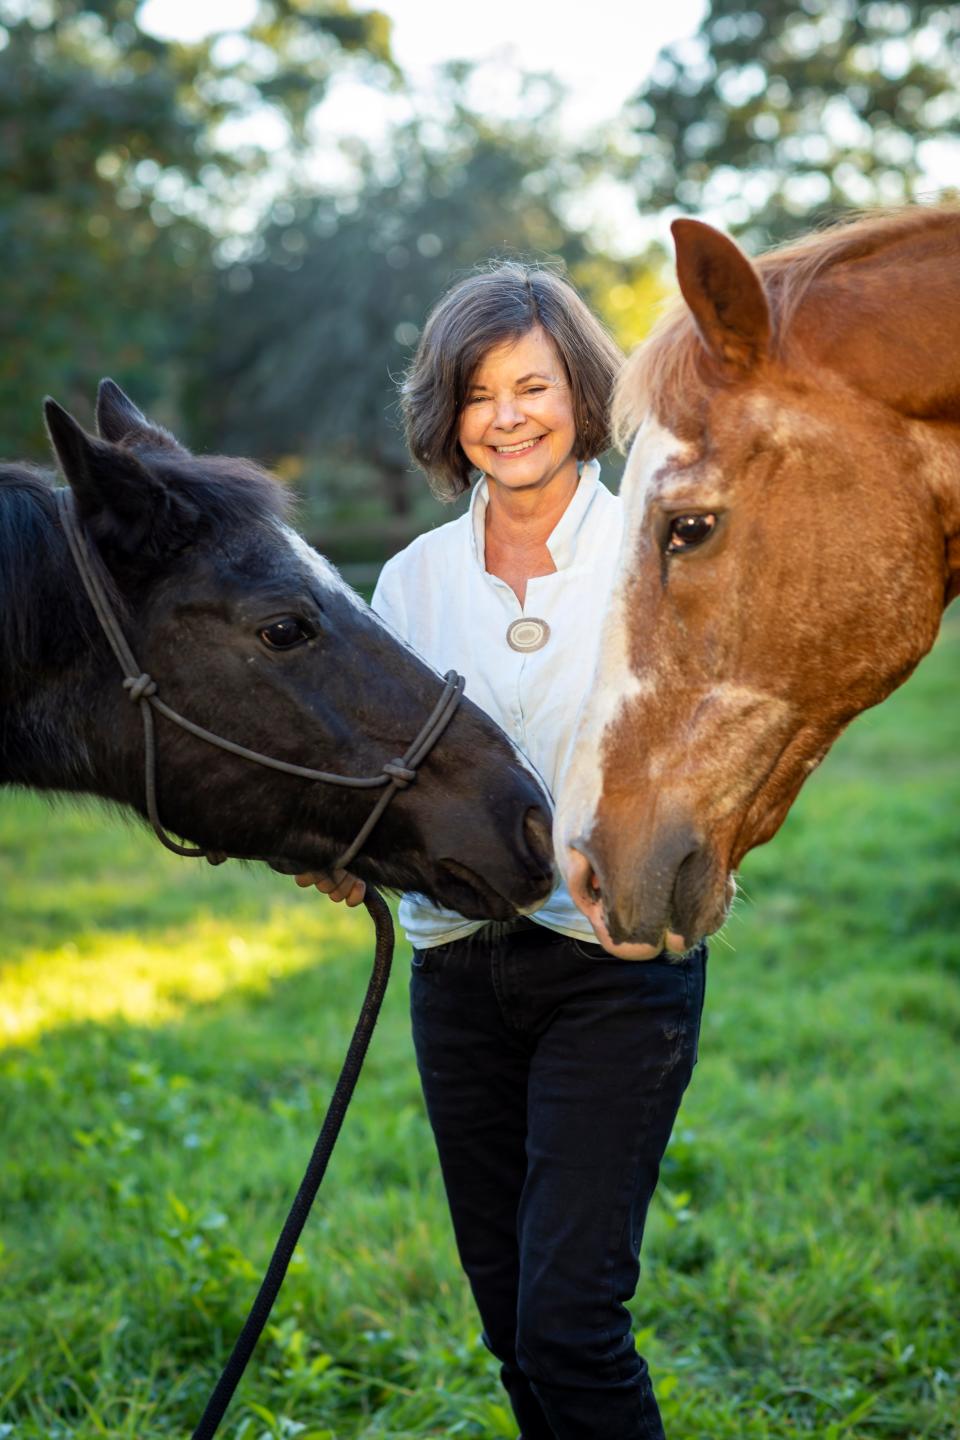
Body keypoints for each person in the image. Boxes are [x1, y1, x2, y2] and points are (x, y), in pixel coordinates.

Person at [298, 263, 706, 1439]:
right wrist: (326, 844)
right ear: (447, 414)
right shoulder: (410, 580)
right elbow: (373, 772)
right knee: (508, 1320)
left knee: (571, 1325)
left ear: (582, 390)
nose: (508, 415)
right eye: (478, 394)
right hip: (458, 971)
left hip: (615, 967)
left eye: (533, 385)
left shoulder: (662, 546)